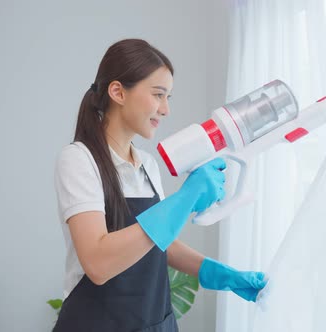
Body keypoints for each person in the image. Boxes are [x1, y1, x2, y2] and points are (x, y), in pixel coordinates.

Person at [53, 39, 267, 331]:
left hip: (156, 323)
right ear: (118, 92)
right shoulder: (79, 159)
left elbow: (155, 243)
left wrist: (220, 274)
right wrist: (185, 198)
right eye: (158, 95)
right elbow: (98, 263)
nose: (165, 109)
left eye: (168, 97)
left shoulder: (147, 164)